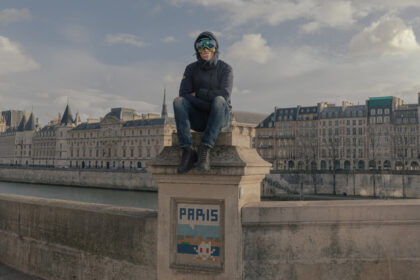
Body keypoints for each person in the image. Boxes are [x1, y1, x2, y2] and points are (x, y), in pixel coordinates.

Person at [173, 31, 233, 174]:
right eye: (201, 46)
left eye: (209, 45)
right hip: (199, 118)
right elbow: (183, 94)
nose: (205, 49)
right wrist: (207, 102)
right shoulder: (190, 69)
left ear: (215, 48)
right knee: (178, 102)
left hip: (220, 117)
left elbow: (224, 94)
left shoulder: (226, 69)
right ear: (197, 49)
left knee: (219, 101)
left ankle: (205, 148)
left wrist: (199, 93)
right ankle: (187, 150)